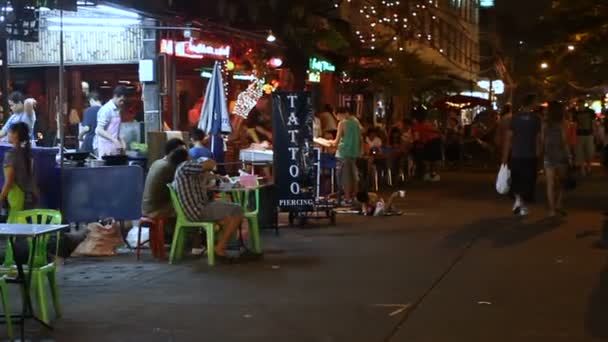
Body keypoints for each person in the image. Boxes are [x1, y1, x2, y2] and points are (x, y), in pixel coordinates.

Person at [173, 158, 245, 260]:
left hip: (196, 209)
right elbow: (208, 165)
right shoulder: (186, 166)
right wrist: (211, 162)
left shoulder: (185, 172)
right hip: (198, 210)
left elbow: (207, 174)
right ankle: (219, 248)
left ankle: (223, 247)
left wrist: (218, 177)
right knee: (238, 210)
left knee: (228, 218)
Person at [502, 94, 542, 216]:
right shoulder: (536, 119)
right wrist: (539, 153)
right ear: (531, 103)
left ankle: (519, 201)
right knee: (528, 180)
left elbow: (509, 138)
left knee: (517, 179)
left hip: (516, 154)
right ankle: (521, 202)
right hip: (530, 154)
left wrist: (504, 157)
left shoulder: (515, 118)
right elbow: (538, 138)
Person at [142, 139, 189, 219]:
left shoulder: (158, 162)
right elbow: (182, 189)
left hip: (147, 209)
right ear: (172, 152)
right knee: (190, 207)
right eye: (181, 151)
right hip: (157, 210)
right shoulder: (169, 167)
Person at [0, 122, 39, 219]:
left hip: (17, 199)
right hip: (30, 198)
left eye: (9, 132)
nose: (7, 135)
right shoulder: (27, 153)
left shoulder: (11, 155)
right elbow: (32, 179)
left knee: (14, 229)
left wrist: (1, 198)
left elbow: (9, 182)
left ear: (15, 134)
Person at [542, 101, 571, 218]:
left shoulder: (545, 124)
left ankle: (552, 209)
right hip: (561, 155)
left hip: (549, 155)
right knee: (561, 181)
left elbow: (543, 140)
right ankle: (558, 203)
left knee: (550, 183)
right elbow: (565, 142)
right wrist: (569, 155)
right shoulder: (564, 123)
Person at [330, 107, 362, 204]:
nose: (337, 118)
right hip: (354, 152)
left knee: (345, 176)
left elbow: (337, 141)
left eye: (337, 115)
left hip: (343, 152)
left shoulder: (342, 123)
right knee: (353, 175)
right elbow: (360, 138)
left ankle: (347, 197)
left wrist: (330, 142)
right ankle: (355, 196)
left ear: (343, 113)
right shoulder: (356, 123)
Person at [95, 86, 128, 159]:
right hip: (105, 147)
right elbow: (99, 130)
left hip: (115, 148)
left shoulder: (117, 110)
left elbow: (118, 129)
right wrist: (114, 140)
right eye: (121, 100)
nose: (122, 103)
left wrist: (122, 141)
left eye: (124, 101)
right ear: (115, 96)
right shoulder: (106, 109)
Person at [413, 109, 442, 182]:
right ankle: (432, 174)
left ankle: (432, 174)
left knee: (430, 160)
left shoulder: (418, 126)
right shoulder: (426, 124)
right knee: (432, 159)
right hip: (432, 141)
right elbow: (437, 131)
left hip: (431, 142)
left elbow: (417, 137)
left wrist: (417, 143)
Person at [574, 99, 596, 176]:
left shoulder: (590, 112)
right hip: (579, 134)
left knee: (590, 152)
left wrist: (594, 131)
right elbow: (575, 124)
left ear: (583, 104)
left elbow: (593, 122)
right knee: (580, 152)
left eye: (580, 104)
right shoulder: (576, 113)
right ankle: (582, 168)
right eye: (578, 105)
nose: (579, 106)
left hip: (589, 134)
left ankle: (588, 166)